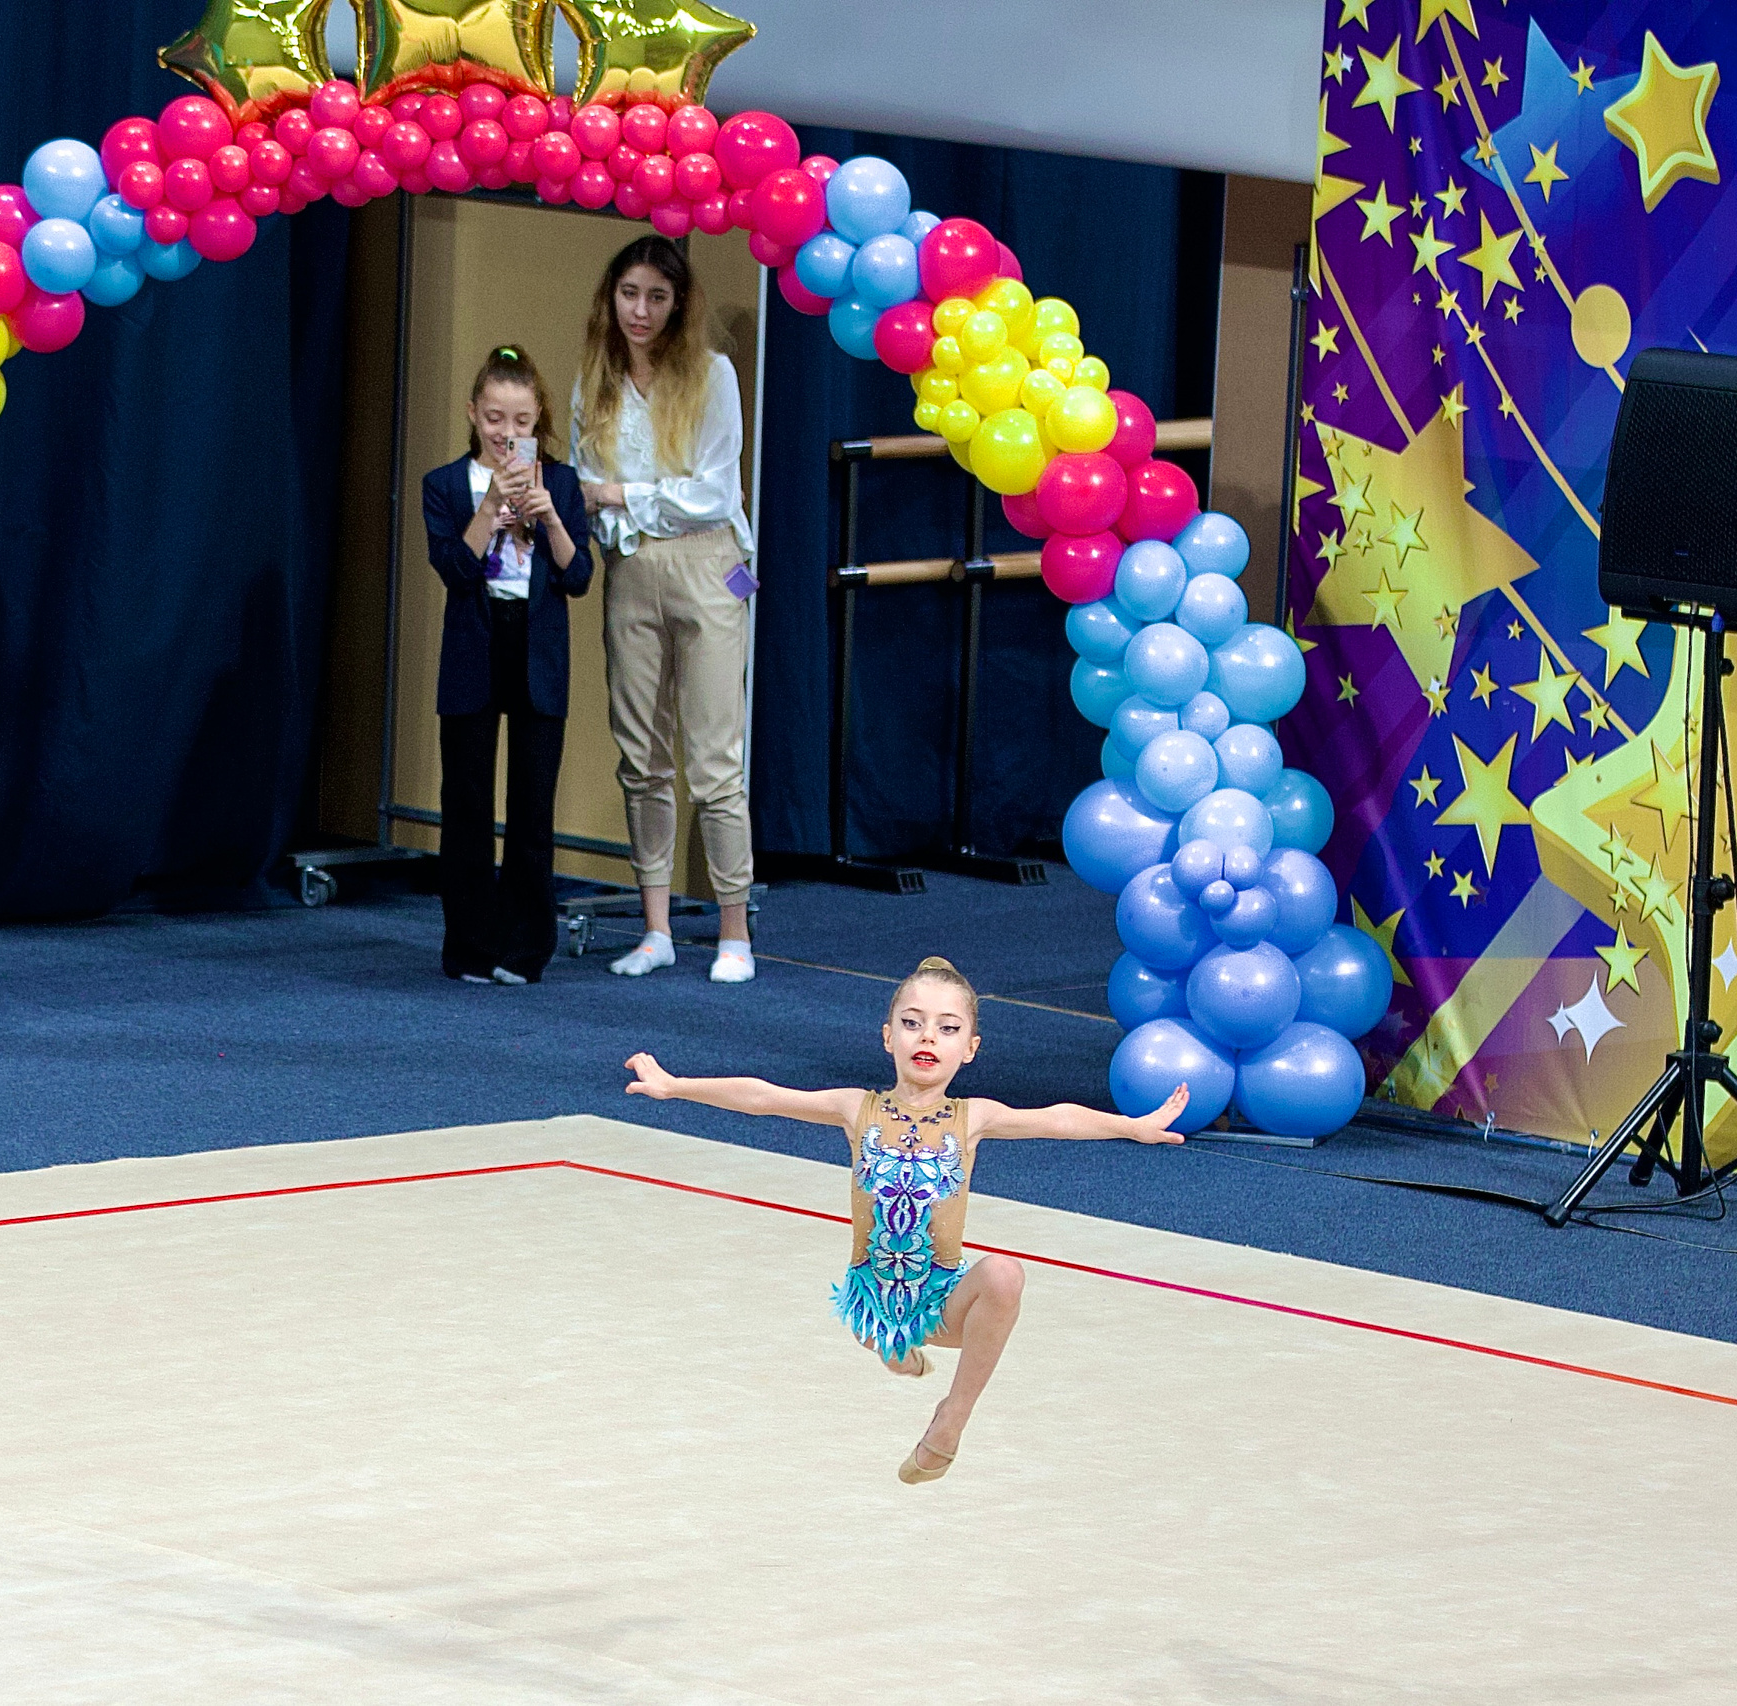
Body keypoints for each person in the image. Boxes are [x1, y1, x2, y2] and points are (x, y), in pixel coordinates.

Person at [622, 956, 1190, 1483]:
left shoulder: (974, 1117)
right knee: (890, 1347)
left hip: (943, 1302)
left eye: (947, 1028)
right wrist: (675, 1087)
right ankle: (898, 1354)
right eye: (913, 1023)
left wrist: (1132, 1126)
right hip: (871, 1301)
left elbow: (1059, 1119)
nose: (927, 1037)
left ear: (971, 1047)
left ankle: (951, 1417)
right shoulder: (856, 1107)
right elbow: (764, 1096)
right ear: (889, 1036)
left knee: (1005, 1275)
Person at [571, 235, 760, 984]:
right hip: (632, 566)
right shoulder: (600, 377)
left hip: (711, 562)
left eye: (656, 296)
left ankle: (735, 930)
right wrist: (616, 514)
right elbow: (586, 482)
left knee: (715, 762)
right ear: (610, 299)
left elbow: (713, 491)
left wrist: (625, 496)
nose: (640, 311)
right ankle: (655, 928)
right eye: (629, 295)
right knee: (640, 756)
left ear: (678, 303)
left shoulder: (712, 374)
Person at [421, 345, 593, 984]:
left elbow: (577, 577)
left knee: (531, 806)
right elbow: (455, 571)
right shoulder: (444, 485)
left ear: (539, 417)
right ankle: (467, 946)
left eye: (521, 422)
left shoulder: (565, 483)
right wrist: (491, 508)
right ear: (473, 414)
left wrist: (548, 516)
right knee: (465, 801)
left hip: (537, 649)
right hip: (474, 642)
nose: (508, 435)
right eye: (495, 419)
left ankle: (524, 949)